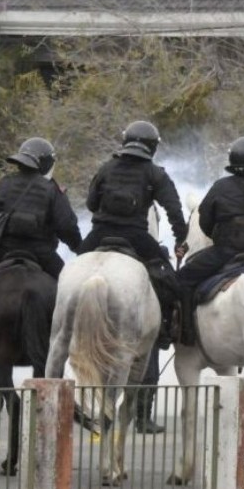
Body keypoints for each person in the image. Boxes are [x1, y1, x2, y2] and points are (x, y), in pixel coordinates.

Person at [79, 120, 188, 349]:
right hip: (137, 237)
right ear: (152, 147)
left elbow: (90, 204)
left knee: (69, 272)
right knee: (169, 281)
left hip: (100, 233)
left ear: (125, 140)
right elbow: (174, 211)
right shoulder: (155, 173)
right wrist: (180, 238)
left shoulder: (106, 168)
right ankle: (165, 331)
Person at [177, 136, 244, 345]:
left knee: (183, 279)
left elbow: (205, 223)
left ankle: (186, 335)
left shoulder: (220, 187)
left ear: (232, 159)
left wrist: (220, 238)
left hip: (224, 253)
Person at [0, 137, 82, 277]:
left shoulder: (5, 183)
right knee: (65, 283)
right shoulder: (52, 190)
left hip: (4, 250)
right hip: (41, 255)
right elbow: (66, 226)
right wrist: (79, 247)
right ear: (45, 163)